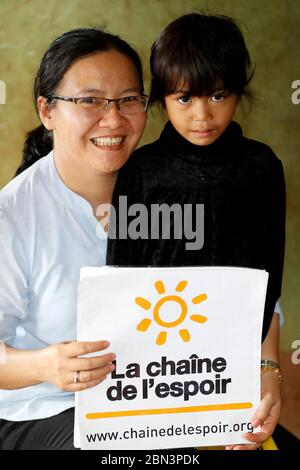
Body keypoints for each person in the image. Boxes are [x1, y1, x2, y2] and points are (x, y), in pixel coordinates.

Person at [106, 13, 286, 450]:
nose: (203, 115)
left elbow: (268, 279)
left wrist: (266, 372)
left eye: (218, 96)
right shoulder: (141, 173)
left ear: (238, 93)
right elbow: (122, 279)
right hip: (154, 371)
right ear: (162, 98)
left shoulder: (261, 168)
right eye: (184, 99)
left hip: (232, 366)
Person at [0, 27, 147, 450]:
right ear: (47, 111)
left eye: (129, 100)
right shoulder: (13, 216)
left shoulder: (170, 191)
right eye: (90, 101)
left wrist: (266, 372)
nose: (114, 118)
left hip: (152, 403)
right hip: (42, 408)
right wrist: (46, 366)